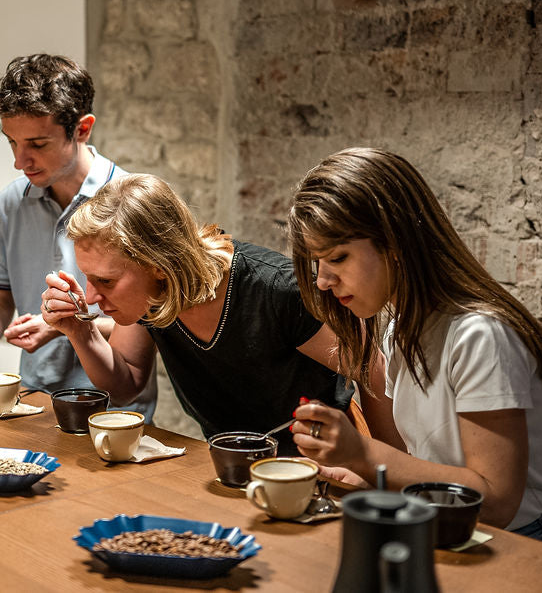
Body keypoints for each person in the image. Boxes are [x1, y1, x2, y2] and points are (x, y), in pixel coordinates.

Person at [287, 147, 542, 552]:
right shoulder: (400, 328)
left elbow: (495, 501)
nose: (322, 281)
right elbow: (428, 466)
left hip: (525, 543)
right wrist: (363, 474)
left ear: (395, 242)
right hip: (448, 531)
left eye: (337, 257)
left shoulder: (480, 336)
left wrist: (364, 454)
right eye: (316, 263)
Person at [40, 173, 354, 454]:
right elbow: (125, 386)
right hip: (228, 462)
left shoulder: (277, 289)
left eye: (106, 281)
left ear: (157, 265)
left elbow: (372, 373)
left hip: (315, 465)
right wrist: (81, 332)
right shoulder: (153, 296)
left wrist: (364, 463)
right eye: (88, 278)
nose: (91, 297)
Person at [0, 54, 155, 419]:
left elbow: (151, 323)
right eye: (12, 143)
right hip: (33, 405)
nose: (20, 161)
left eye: (37, 144)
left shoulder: (132, 205)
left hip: (114, 415)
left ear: (82, 129)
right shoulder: (10, 203)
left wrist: (64, 327)